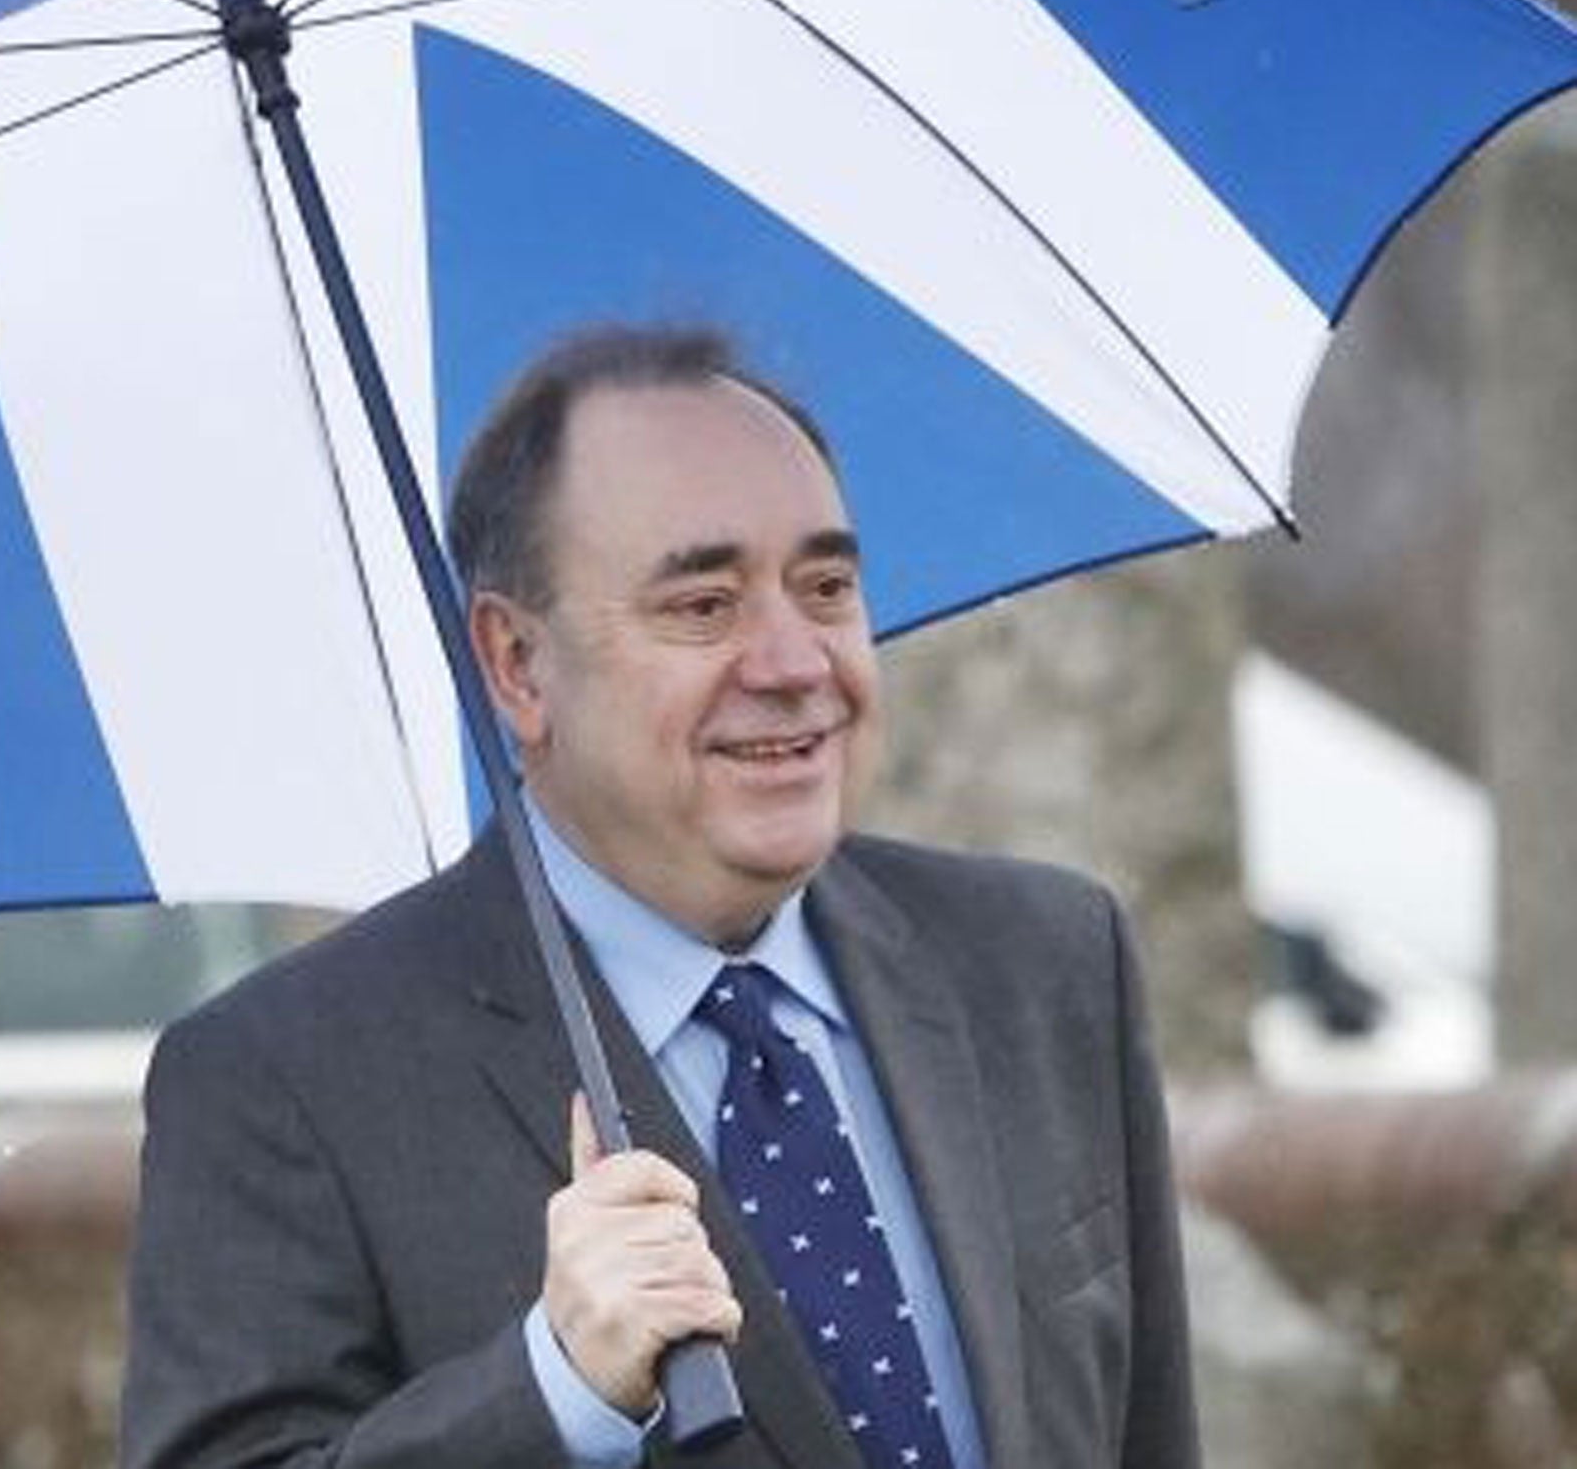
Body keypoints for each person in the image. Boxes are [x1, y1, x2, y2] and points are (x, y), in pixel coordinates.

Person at [119, 325, 1199, 1469]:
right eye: (703, 606)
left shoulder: (1044, 961)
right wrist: (552, 1391)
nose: (794, 662)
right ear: (517, 667)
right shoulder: (285, 1082)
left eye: (825, 587)